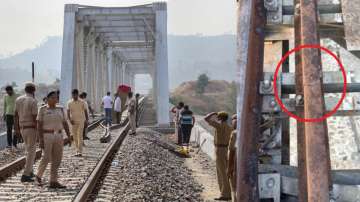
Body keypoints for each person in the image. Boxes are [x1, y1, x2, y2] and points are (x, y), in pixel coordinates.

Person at [35, 91, 71, 188]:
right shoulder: (42, 109)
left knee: (57, 159)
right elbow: (39, 125)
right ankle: (38, 176)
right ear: (48, 98)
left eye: (56, 98)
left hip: (59, 135)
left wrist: (69, 136)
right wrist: (40, 139)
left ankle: (53, 181)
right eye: (53, 98)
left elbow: (65, 123)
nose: (55, 99)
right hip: (47, 135)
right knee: (46, 157)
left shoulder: (61, 109)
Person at [204, 111, 232, 201]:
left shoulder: (219, 126)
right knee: (225, 172)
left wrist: (213, 113)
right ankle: (227, 192)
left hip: (220, 150)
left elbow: (206, 118)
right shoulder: (229, 127)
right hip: (226, 149)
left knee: (221, 173)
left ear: (219, 118)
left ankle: (225, 194)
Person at [14, 82, 38, 182]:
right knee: (31, 151)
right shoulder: (33, 101)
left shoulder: (18, 99)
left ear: (25, 90)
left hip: (22, 128)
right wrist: (39, 132)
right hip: (31, 128)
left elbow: (15, 115)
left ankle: (30, 170)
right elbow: (35, 117)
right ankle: (26, 174)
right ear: (34, 91)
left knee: (27, 150)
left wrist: (16, 129)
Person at [67, 89, 88, 157]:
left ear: (77, 94)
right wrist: (70, 120)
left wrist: (87, 120)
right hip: (73, 121)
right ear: (72, 95)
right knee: (74, 136)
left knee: (80, 135)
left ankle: (80, 151)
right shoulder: (69, 102)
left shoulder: (82, 102)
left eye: (75, 94)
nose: (74, 96)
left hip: (81, 121)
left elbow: (85, 111)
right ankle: (77, 150)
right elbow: (68, 112)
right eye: (73, 94)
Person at [227, 114, 237, 202]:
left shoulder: (234, 133)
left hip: (235, 165)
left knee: (234, 188)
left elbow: (232, 151)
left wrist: (229, 167)